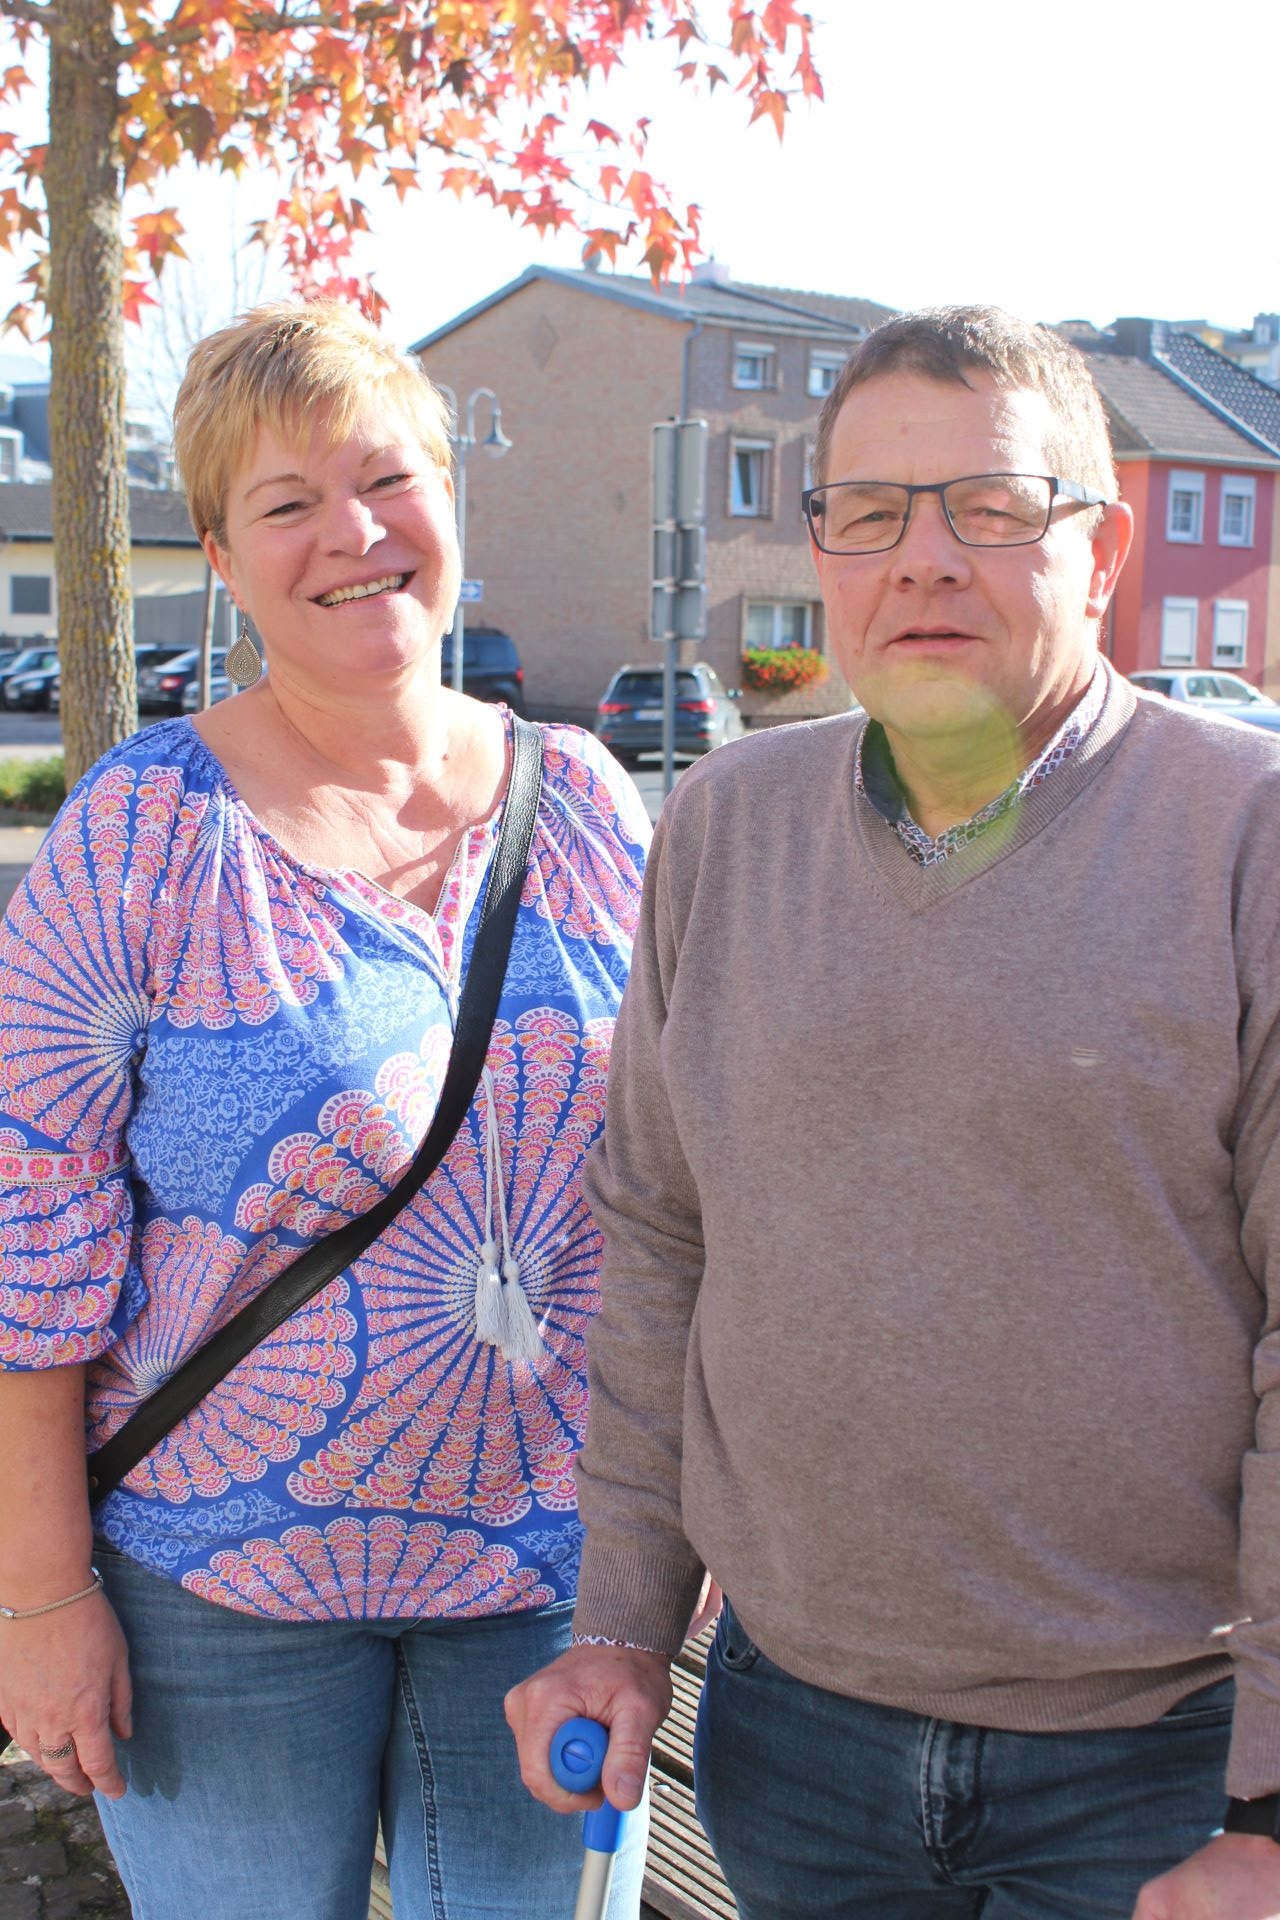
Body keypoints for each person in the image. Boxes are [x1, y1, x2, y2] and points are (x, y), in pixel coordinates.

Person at [507, 305, 1280, 1920]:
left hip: (1157, 1765)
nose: (923, 560)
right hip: (794, 1735)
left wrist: (1276, 1804)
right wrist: (622, 1623)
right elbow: (657, 1239)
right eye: (869, 513)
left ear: (1102, 549)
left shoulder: (1243, 845)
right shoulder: (721, 829)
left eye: (990, 508)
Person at [0, 299, 652, 1920]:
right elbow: (32, 1236)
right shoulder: (140, 833)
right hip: (218, 1582)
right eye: (287, 505)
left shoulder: (587, 800)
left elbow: (675, 1192)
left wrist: (671, 1548)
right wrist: (36, 1593)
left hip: (550, 1579)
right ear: (222, 559)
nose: (352, 537)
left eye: (387, 481)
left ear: (451, 500)